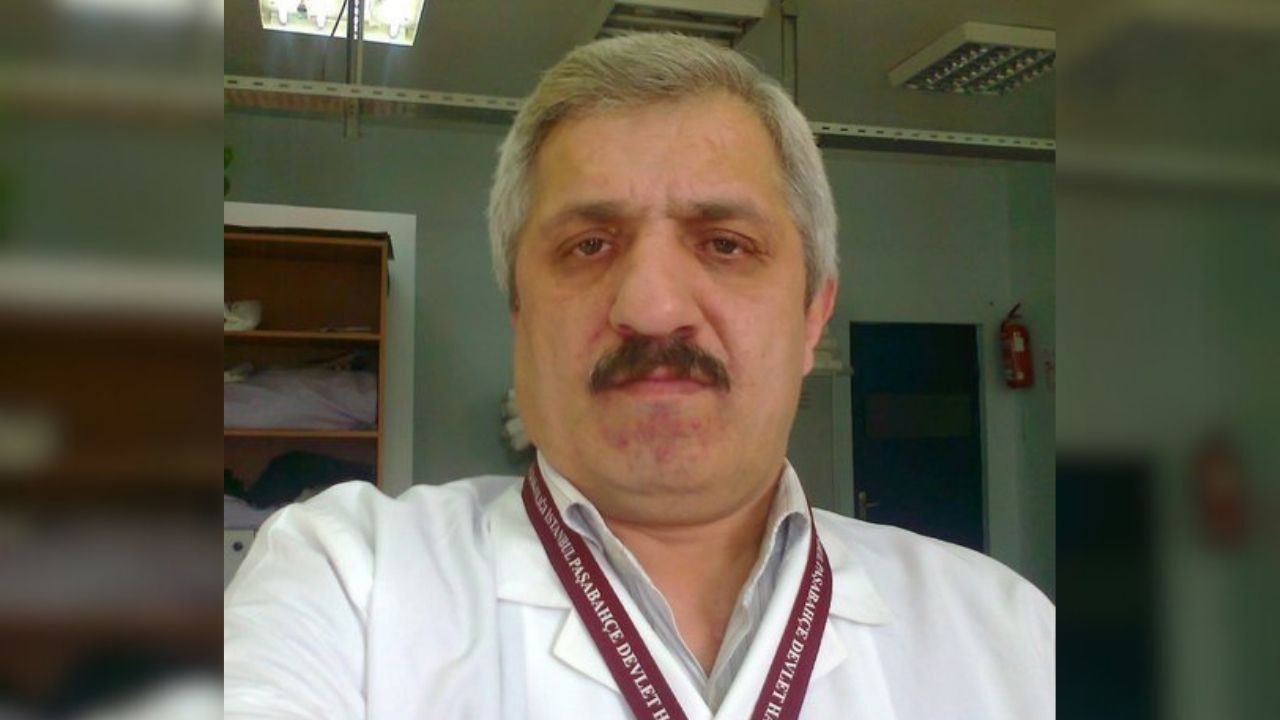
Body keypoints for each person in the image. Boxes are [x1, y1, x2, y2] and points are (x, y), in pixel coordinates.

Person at [224, 33, 1054, 719]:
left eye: (725, 244)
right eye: (589, 245)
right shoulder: (347, 585)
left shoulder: (1008, 635)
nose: (653, 309)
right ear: (519, 312)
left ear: (812, 318)